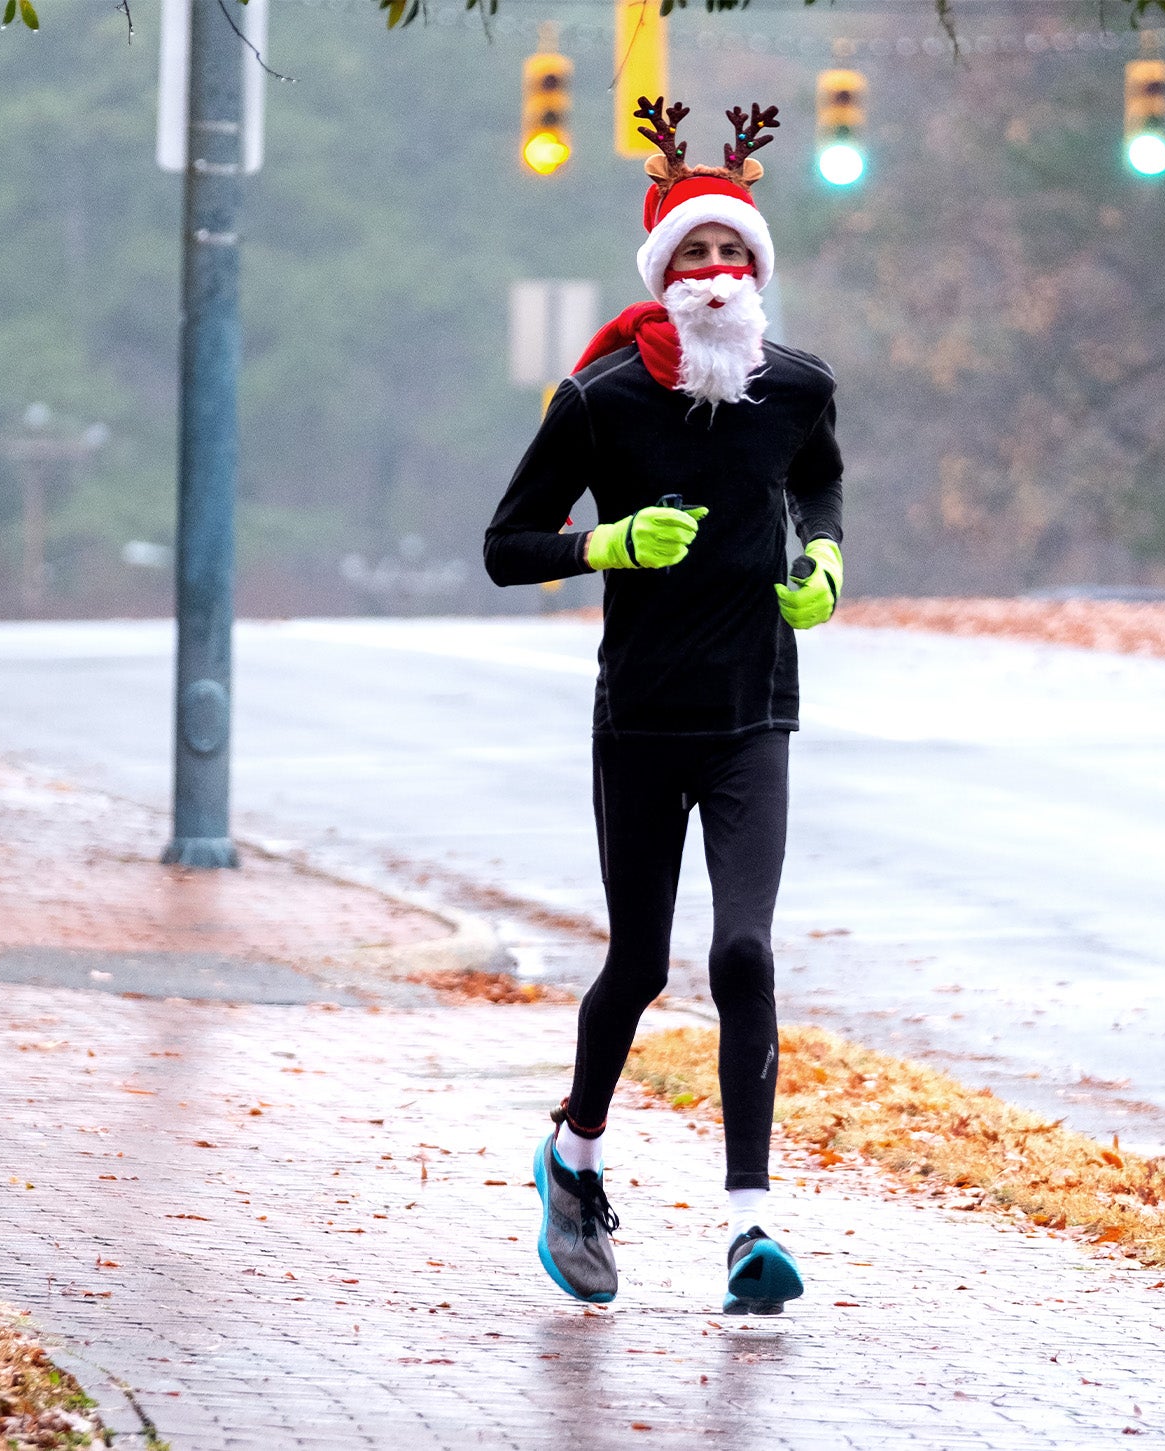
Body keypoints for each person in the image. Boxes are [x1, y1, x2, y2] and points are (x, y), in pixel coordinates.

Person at [482, 97, 844, 1315]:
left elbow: (822, 480)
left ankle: (750, 1227)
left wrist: (826, 564)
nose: (715, 271)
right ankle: (573, 1157)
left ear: (755, 272)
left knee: (742, 949)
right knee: (635, 963)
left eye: (732, 252)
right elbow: (504, 546)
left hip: (754, 712)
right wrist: (611, 543)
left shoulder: (793, 388)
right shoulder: (599, 401)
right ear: (662, 269)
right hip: (638, 720)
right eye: (692, 252)